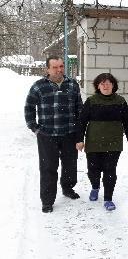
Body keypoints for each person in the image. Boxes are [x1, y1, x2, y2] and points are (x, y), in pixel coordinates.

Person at [25, 56, 83, 213]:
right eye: (55, 67)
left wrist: (79, 131)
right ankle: (47, 200)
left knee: (70, 164)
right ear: (47, 69)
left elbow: (79, 109)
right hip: (47, 135)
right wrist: (35, 128)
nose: (59, 70)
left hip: (69, 133)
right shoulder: (38, 86)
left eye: (61, 66)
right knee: (48, 167)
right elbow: (29, 108)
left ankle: (68, 188)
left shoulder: (72, 84)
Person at [76, 73, 128, 211]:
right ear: (97, 86)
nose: (105, 85)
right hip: (93, 142)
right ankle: (95, 187)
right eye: (102, 83)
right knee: (93, 170)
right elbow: (82, 122)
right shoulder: (91, 101)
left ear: (113, 85)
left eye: (108, 83)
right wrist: (80, 140)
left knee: (110, 170)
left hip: (113, 142)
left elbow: (126, 120)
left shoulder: (120, 101)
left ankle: (108, 198)